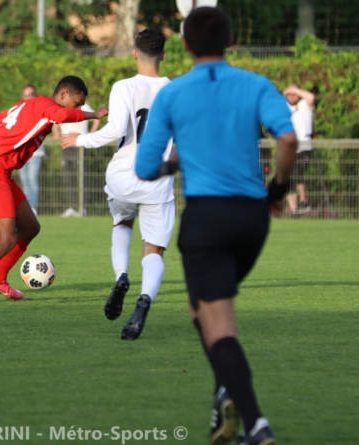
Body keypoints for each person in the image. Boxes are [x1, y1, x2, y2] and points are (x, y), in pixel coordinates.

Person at [135, 7, 297, 445]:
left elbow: (146, 165)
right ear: (229, 43)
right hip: (252, 220)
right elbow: (287, 138)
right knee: (202, 314)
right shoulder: (255, 84)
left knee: (217, 326)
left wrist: (177, 159)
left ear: (185, 46)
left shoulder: (174, 94)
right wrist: (278, 191)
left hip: (207, 219)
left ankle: (257, 424)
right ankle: (225, 392)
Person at [0, 76, 108, 305]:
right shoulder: (45, 106)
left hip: (1, 171)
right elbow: (62, 115)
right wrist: (95, 114)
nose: (79, 108)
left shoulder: (28, 106)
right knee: (5, 237)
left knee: (30, 228)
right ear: (63, 94)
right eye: (78, 102)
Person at [61, 28, 174, 341]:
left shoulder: (123, 86)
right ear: (163, 55)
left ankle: (121, 276)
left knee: (122, 223)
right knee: (154, 248)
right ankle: (144, 299)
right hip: (157, 179)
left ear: (135, 53)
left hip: (123, 174)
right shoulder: (175, 90)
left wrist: (80, 138)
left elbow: (115, 130)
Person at [53, 104, 100, 217]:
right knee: (68, 177)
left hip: (80, 146)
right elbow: (55, 124)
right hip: (66, 147)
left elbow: (96, 119)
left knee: (82, 177)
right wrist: (56, 132)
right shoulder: (63, 108)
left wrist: (90, 135)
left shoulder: (85, 106)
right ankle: (72, 207)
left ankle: (83, 208)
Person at [283, 84, 315, 213]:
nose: (292, 96)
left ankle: (303, 200)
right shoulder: (283, 107)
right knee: (287, 178)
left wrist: (295, 90)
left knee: (297, 173)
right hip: (288, 148)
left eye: (295, 93)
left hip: (304, 147)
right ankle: (294, 209)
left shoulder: (305, 105)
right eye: (289, 94)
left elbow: (311, 97)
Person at [17, 85, 45, 214]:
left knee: (32, 179)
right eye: (26, 94)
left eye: (32, 93)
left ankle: (32, 207)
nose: (29, 96)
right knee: (24, 181)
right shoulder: (18, 111)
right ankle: (27, 207)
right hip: (21, 152)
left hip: (35, 151)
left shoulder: (40, 110)